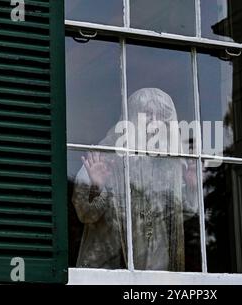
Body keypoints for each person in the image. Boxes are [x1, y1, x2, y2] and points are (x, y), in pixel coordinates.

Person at [72, 88, 198, 271]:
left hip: (156, 266)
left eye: (161, 115)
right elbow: (85, 214)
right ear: (131, 117)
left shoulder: (169, 163)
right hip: (108, 267)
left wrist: (191, 187)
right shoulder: (104, 155)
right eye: (147, 113)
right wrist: (96, 187)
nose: (155, 122)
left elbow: (177, 216)